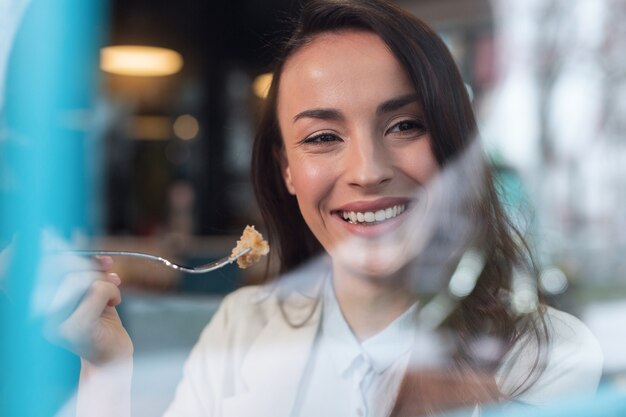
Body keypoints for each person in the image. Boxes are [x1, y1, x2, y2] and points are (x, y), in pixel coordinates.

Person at [51, 1, 603, 416]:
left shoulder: (549, 356)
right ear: (287, 169)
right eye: (321, 137)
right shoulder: (243, 328)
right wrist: (107, 366)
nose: (366, 170)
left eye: (406, 125)